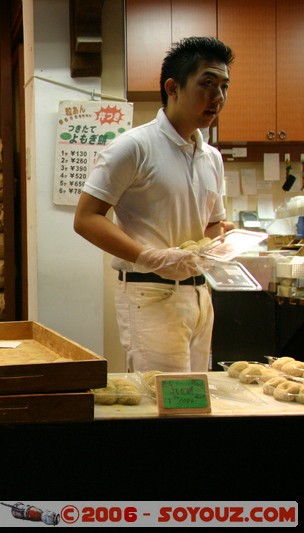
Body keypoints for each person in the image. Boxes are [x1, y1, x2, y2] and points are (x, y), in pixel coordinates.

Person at [73, 36, 235, 373]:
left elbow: (211, 225)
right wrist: (149, 257)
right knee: (164, 403)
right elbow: (86, 218)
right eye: (207, 84)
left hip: (200, 294)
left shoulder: (212, 158)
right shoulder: (133, 147)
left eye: (223, 86)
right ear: (173, 87)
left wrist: (221, 240)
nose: (217, 97)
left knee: (195, 398)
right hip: (150, 293)